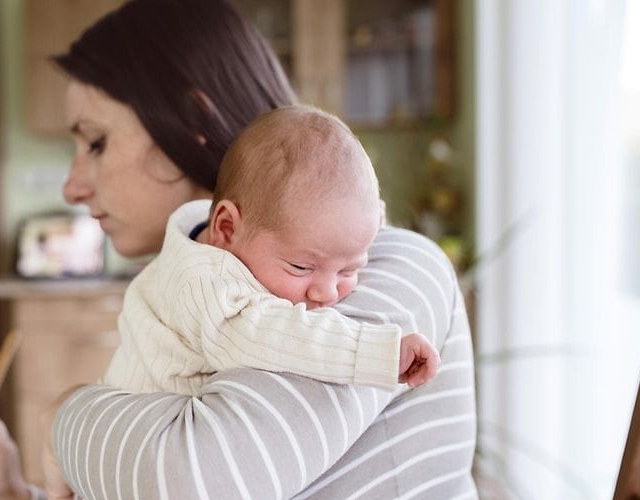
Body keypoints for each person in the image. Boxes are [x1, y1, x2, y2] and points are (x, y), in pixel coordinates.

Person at [0, 0, 479, 500]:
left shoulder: (383, 275)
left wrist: (63, 418)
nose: (71, 187)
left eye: (95, 142)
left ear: (190, 118)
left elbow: (184, 495)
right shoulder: (186, 291)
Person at [101, 104, 440, 404]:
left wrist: (369, 225)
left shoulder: (250, 238)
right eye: (301, 267)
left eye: (349, 269)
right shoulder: (203, 286)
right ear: (227, 228)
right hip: (146, 434)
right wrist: (378, 353)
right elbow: (271, 335)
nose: (327, 293)